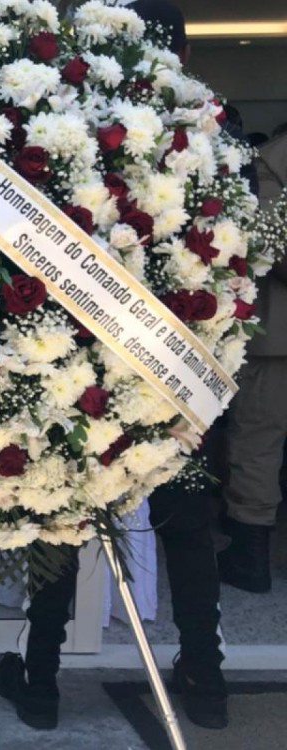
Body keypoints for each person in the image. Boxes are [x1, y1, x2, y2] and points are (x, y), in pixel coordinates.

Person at [0, 0, 230, 731]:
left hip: (81, 368)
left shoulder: (78, 138)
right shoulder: (202, 148)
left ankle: (41, 683)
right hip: (181, 366)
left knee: (63, 507)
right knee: (187, 520)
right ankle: (207, 678)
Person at [218, 129, 287, 593]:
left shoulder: (270, 162)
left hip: (276, 337)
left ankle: (251, 561)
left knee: (258, 446)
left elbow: (268, 250)